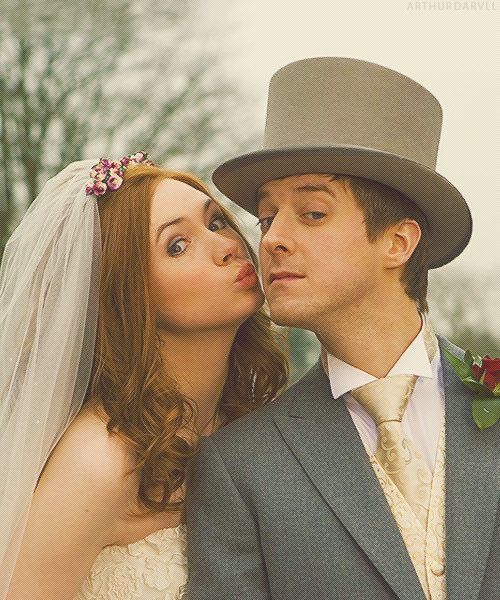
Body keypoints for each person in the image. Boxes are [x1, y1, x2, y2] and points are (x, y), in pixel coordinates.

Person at [185, 57, 499, 599]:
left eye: (311, 214)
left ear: (398, 243)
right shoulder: (238, 470)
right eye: (266, 218)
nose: (272, 239)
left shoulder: (489, 395)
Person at [0, 152, 288, 599]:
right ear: (130, 293)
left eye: (215, 223)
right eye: (177, 245)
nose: (227, 245)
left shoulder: (247, 423)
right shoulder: (99, 462)